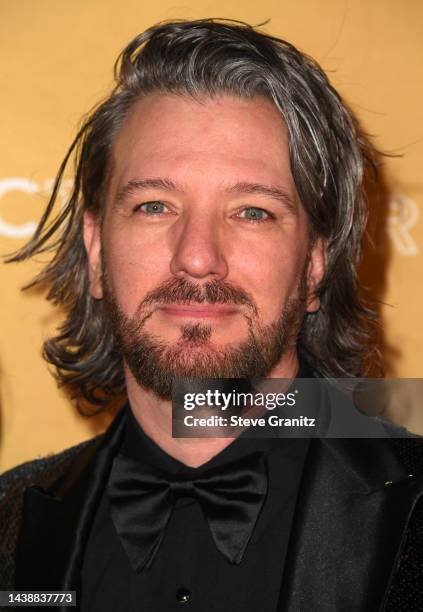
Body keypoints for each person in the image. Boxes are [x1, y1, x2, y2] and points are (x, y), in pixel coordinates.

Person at [0, 19, 422, 611]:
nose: (197, 257)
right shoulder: (9, 523)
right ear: (97, 253)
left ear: (314, 265)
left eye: (252, 211)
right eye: (154, 206)